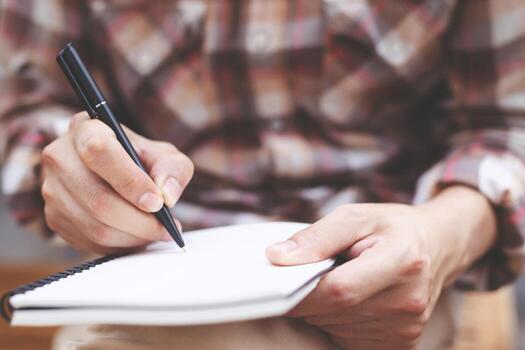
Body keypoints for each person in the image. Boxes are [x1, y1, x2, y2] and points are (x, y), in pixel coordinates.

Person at [1, 0, 524, 349]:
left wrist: (443, 236)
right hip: (157, 294)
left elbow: (509, 126)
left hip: (397, 290)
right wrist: (79, 169)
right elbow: (21, 100)